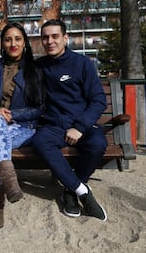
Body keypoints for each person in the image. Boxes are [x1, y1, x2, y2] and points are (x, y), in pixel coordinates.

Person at [33, 19, 108, 221]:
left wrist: (80, 127)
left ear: (65, 38)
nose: (50, 41)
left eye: (55, 36)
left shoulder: (82, 63)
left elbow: (99, 100)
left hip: (81, 125)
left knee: (98, 143)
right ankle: (82, 190)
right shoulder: (38, 67)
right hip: (54, 126)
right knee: (40, 141)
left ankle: (68, 191)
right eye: (45, 37)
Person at [0, 22, 43, 229]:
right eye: (8, 39)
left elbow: (39, 108)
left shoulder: (35, 69)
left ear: (24, 43)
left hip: (22, 128)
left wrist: (13, 114)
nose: (12, 43)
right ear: (2, 43)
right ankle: (9, 179)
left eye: (17, 39)